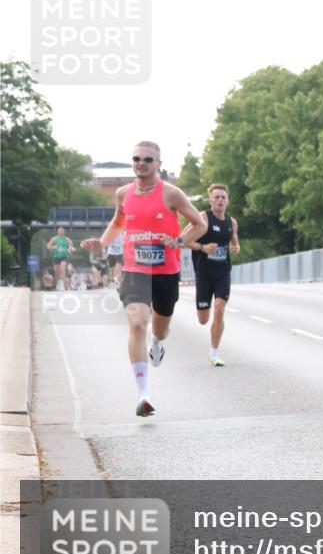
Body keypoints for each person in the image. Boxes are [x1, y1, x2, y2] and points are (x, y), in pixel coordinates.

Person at [82, 141, 207, 416]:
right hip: (134, 270)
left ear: (158, 164)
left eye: (148, 159)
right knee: (138, 323)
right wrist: (102, 243)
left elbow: (200, 224)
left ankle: (158, 343)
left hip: (165, 272)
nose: (141, 163)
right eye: (137, 158)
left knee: (160, 329)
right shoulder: (123, 193)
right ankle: (143, 394)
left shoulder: (171, 193)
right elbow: (119, 222)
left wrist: (178, 241)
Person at [191, 183, 240, 366]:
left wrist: (236, 247)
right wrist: (202, 247)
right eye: (216, 197)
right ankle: (212, 342)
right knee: (203, 319)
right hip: (203, 273)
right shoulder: (203, 218)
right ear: (210, 199)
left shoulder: (231, 222)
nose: (220, 200)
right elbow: (183, 240)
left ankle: (215, 353)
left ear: (228, 201)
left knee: (219, 309)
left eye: (223, 197)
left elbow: (234, 241)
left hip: (222, 272)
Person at [46, 227, 75, 291]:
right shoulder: (54, 239)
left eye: (62, 231)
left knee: (62, 268)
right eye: (60, 231)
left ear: (64, 232)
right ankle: (58, 283)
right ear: (58, 232)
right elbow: (48, 246)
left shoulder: (67, 239)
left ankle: (64, 286)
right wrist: (54, 247)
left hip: (64, 256)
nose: (61, 232)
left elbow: (72, 247)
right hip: (56, 257)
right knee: (57, 271)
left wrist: (71, 249)